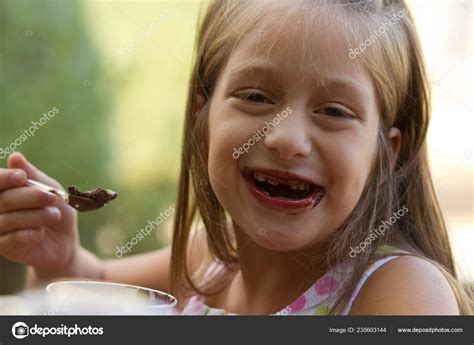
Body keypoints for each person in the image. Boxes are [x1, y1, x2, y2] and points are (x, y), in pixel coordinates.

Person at [0, 0, 471, 315]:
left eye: (333, 111)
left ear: (383, 154)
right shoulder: (216, 256)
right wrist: (60, 260)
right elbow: (93, 286)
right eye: (255, 97)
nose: (287, 139)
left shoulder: (401, 291)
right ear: (204, 121)